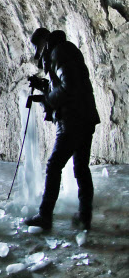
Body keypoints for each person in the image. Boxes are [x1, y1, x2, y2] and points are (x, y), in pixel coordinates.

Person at [25, 29, 100, 231]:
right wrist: (45, 87)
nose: (38, 54)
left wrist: (48, 99)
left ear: (44, 42)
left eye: (37, 48)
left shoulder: (59, 52)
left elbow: (69, 86)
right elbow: (67, 82)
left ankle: (45, 216)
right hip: (84, 117)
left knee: (54, 165)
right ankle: (85, 216)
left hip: (72, 119)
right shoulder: (65, 51)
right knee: (81, 168)